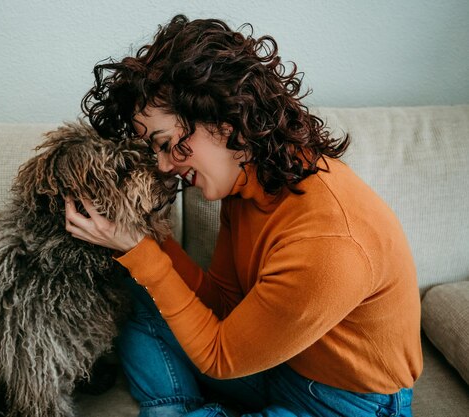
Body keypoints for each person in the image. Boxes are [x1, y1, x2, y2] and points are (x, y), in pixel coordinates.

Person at [67, 14, 422, 417]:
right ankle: (177, 405)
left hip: (347, 403)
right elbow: (224, 303)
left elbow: (220, 357)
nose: (164, 166)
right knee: (135, 289)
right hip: (276, 363)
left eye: (166, 144)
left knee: (145, 274)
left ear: (224, 118)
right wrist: (140, 237)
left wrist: (140, 249)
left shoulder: (328, 244)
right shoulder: (249, 183)